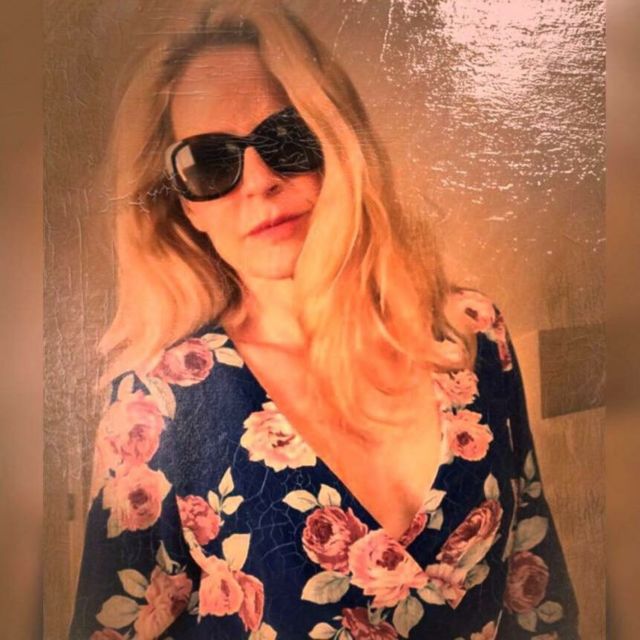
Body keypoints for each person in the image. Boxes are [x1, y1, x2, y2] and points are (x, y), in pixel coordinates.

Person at [69, 1, 580, 638]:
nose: (259, 181)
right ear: (185, 206)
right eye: (210, 162)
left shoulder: (469, 332)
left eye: (285, 138)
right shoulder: (154, 405)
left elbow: (537, 586)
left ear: (336, 143)